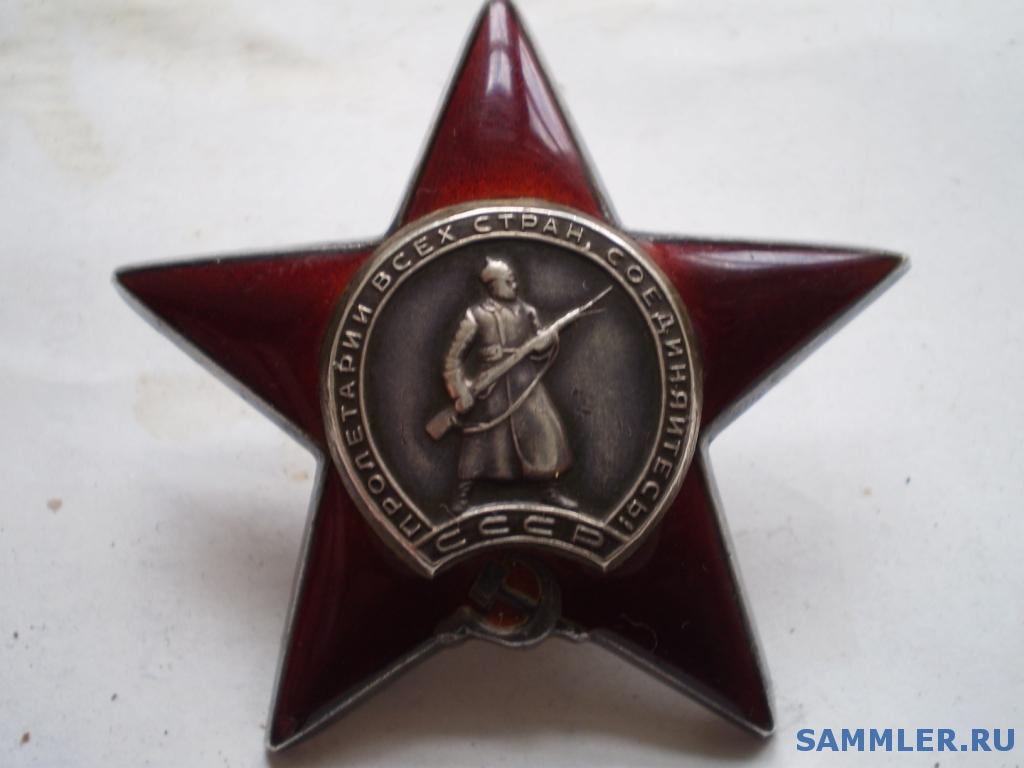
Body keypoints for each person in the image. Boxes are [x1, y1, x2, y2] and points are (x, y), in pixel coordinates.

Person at [442, 258, 575, 513]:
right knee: (479, 444)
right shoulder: (476, 315)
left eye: (513, 279)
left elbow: (538, 348)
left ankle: (549, 489)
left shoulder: (528, 311)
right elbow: (452, 359)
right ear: (493, 285)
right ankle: (462, 494)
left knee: (544, 433)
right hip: (490, 388)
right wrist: (460, 391)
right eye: (509, 280)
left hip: (526, 385)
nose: (515, 284)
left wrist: (545, 342)